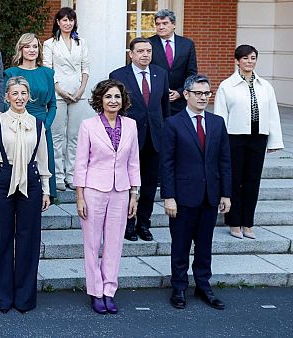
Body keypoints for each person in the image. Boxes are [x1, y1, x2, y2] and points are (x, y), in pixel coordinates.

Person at [0, 76, 51, 313]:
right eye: (15, 94)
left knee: (28, 238)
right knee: (0, 238)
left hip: (30, 181)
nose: (19, 98)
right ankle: (0, 296)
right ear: (7, 97)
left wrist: (46, 190)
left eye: (23, 93)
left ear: (28, 96)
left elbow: (43, 159)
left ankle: (24, 298)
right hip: (2, 180)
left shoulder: (37, 124)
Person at [162, 74, 232, 310]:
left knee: (204, 245)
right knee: (180, 245)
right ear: (187, 95)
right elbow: (167, 163)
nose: (203, 97)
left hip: (210, 195)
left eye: (207, 93)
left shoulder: (217, 122)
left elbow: (224, 161)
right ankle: (179, 287)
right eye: (199, 93)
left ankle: (203, 285)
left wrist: (226, 194)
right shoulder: (173, 123)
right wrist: (168, 196)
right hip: (182, 197)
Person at [74, 79, 140, 314]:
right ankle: (95, 291)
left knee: (114, 244)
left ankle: (109, 290)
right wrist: (79, 197)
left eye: (117, 97)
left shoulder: (131, 125)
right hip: (93, 190)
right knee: (92, 244)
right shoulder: (88, 126)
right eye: (109, 97)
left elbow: (134, 162)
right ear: (100, 100)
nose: (113, 101)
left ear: (123, 101)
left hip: (121, 191)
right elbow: (81, 163)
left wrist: (134, 193)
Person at [214, 45, 284, 239]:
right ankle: (234, 222)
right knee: (235, 180)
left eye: (252, 58)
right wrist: (220, 143)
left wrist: (274, 141)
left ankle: (248, 223)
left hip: (257, 138)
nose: (249, 61)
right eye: (245, 58)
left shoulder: (265, 86)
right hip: (234, 138)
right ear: (237, 61)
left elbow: (272, 114)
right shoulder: (226, 86)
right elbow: (220, 116)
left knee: (252, 181)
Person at [109, 37, 170, 242]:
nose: (145, 55)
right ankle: (128, 224)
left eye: (148, 51)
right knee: (128, 183)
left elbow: (164, 108)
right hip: (129, 138)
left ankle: (144, 223)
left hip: (155, 138)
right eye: (141, 51)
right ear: (131, 54)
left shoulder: (160, 74)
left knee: (150, 184)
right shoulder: (118, 75)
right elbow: (114, 107)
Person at [4, 33, 58, 198]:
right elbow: (7, 103)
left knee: (41, 167)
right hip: (17, 126)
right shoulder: (11, 73)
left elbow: (53, 105)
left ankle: (44, 198)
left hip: (42, 125)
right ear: (20, 49)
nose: (32, 50)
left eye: (35, 46)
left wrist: (45, 126)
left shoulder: (47, 73)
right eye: (27, 46)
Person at [43, 7, 90, 192]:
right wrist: (60, 91)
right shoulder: (50, 44)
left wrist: (81, 90)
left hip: (78, 93)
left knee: (75, 136)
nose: (68, 23)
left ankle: (72, 175)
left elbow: (85, 68)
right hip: (58, 93)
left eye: (71, 20)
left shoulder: (81, 43)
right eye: (64, 20)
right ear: (58, 22)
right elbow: (48, 69)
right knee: (57, 136)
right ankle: (58, 177)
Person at [149, 9, 197, 114]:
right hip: (155, 101)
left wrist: (180, 92)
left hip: (180, 101)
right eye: (158, 24)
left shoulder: (187, 44)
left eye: (165, 23)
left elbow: (192, 73)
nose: (161, 27)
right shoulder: (148, 44)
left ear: (174, 24)